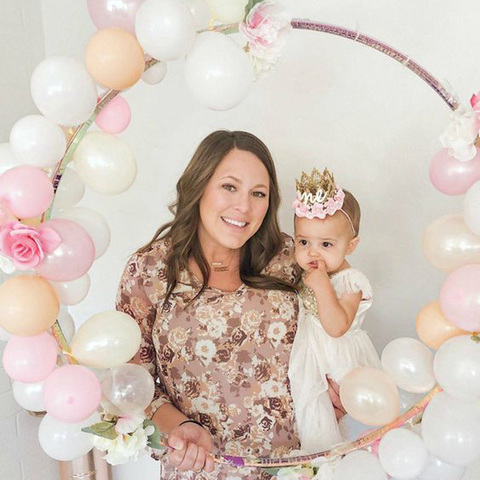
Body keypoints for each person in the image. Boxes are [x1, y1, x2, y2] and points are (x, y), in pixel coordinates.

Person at [116, 131, 343, 479]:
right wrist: (178, 428)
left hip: (301, 466)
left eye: (258, 194)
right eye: (229, 187)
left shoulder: (291, 259)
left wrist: (337, 395)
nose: (244, 207)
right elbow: (131, 382)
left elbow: (333, 337)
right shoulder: (150, 270)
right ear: (199, 185)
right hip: (203, 472)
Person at [288, 167, 381, 454]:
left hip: (340, 363)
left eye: (326, 244)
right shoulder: (307, 273)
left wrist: (321, 287)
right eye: (304, 242)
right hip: (311, 360)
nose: (312, 252)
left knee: (347, 431)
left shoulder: (350, 282)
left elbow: (337, 326)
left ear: (350, 246)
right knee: (312, 420)